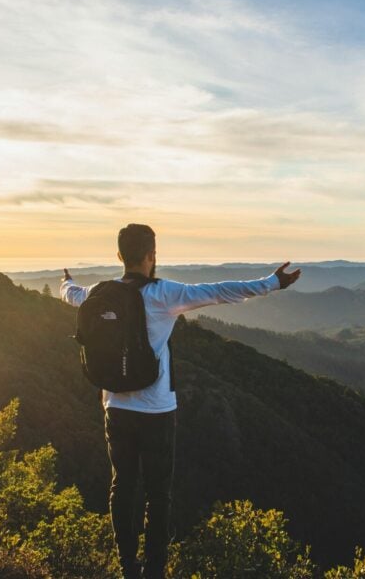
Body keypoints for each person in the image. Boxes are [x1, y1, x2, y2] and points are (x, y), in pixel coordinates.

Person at [60, 223, 301, 579]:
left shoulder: (100, 292)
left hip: (115, 408)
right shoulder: (162, 294)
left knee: (121, 486)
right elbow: (219, 291)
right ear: (150, 256)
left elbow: (73, 294)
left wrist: (65, 282)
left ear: (119, 256)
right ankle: (154, 570)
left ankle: (129, 566)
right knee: (158, 495)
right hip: (156, 411)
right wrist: (271, 283)